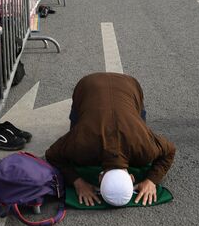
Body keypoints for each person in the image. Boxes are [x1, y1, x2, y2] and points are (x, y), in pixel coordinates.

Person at [45, 73, 175, 207]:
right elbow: (51, 154)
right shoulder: (81, 144)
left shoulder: (144, 148)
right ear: (132, 178)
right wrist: (78, 183)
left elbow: (170, 150)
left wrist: (151, 181)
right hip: (90, 86)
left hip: (124, 84)